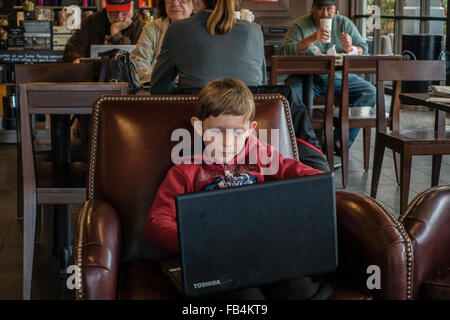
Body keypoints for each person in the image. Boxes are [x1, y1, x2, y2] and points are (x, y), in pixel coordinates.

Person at [145, 78, 332, 300]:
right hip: (216, 259)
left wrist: (319, 184)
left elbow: (305, 176)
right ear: (199, 126)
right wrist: (196, 241)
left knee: (300, 290)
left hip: (265, 251)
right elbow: (157, 222)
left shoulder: (263, 156)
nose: (227, 142)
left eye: (236, 133)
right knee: (246, 298)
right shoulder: (185, 171)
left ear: (250, 130)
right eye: (217, 132)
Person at [281, 0, 375, 150]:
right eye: (320, 9)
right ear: (312, 8)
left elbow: (364, 48)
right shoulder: (300, 25)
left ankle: (338, 142)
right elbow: (284, 51)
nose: (324, 14)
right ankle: (303, 145)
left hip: (339, 77)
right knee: (291, 97)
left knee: (370, 92)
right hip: (305, 77)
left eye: (329, 9)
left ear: (335, 9)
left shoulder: (344, 23)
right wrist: (310, 39)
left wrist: (351, 48)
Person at [149, 0, 266, 94]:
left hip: (196, 118)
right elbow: (261, 86)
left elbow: (158, 89)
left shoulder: (177, 29)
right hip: (248, 119)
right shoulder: (254, 31)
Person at [131, 0, 194, 87]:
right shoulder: (152, 29)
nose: (175, 3)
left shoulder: (205, 29)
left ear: (195, 3)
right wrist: (167, 79)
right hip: (159, 95)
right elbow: (139, 66)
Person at [63, 0, 145, 63]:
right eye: (114, 12)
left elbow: (132, 60)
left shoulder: (140, 26)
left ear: (132, 5)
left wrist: (115, 33)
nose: (119, 16)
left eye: (124, 11)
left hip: (128, 82)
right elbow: (71, 50)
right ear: (106, 7)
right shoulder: (92, 21)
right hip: (93, 78)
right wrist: (77, 60)